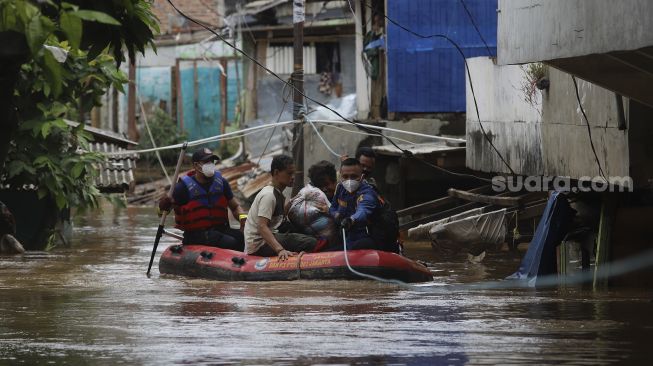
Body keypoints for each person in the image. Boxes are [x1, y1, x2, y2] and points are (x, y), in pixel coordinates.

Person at [158, 148, 247, 251]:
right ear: (196, 165)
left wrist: (242, 218)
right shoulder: (182, 188)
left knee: (242, 237)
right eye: (206, 162)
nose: (210, 165)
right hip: (196, 234)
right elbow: (161, 213)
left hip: (220, 229)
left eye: (212, 161)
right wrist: (162, 206)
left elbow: (235, 207)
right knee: (231, 242)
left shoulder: (222, 183)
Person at [244, 155, 317, 260]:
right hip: (258, 244)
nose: (292, 177)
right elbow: (262, 227)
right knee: (310, 242)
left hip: (268, 236)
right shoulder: (268, 195)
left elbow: (277, 219)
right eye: (289, 173)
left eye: (293, 174)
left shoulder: (278, 194)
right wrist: (280, 250)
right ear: (276, 173)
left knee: (300, 230)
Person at [329, 158, 398, 251]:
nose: (349, 181)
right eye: (345, 176)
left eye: (354, 176)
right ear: (340, 176)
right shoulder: (340, 188)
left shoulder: (368, 193)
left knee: (360, 246)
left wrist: (351, 220)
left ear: (362, 177)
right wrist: (337, 215)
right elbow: (333, 207)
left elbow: (363, 211)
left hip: (368, 237)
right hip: (348, 237)